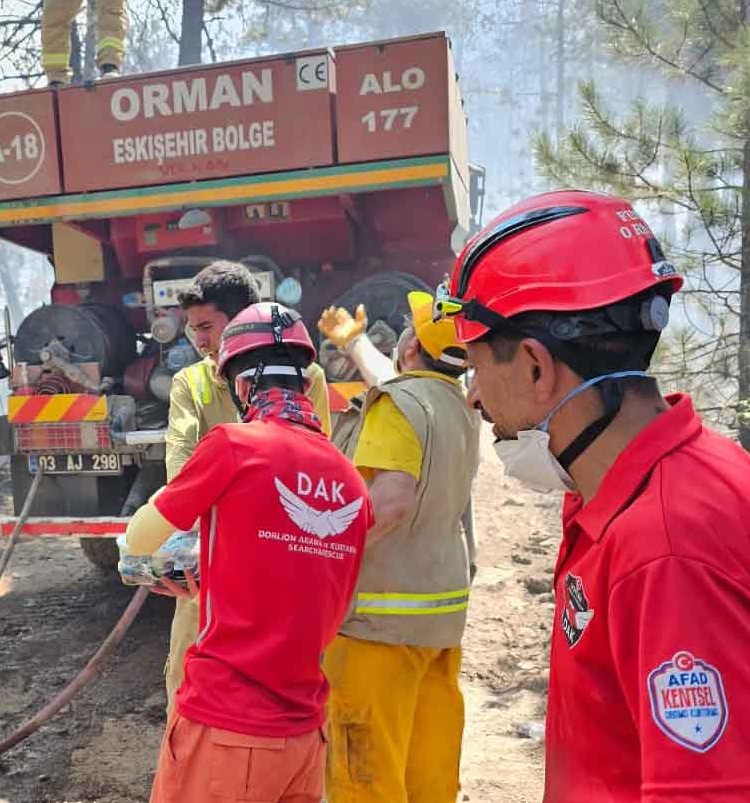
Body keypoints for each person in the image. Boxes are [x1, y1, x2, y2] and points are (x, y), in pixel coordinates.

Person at [438, 189, 750, 802]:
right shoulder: (632, 492)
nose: (474, 399)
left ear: (533, 366)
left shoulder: (663, 547)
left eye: (476, 368)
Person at [126, 302, 373, 803]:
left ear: (242, 386)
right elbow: (302, 580)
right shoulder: (351, 483)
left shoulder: (234, 447)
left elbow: (139, 539)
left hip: (227, 727)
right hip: (305, 736)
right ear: (305, 382)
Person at [316, 292, 479, 803]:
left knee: (365, 779)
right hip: (438, 624)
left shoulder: (397, 407)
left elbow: (388, 504)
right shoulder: (458, 406)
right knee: (426, 776)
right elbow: (402, 386)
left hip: (375, 632)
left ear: (409, 344)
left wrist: (316, 547)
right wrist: (357, 344)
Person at [164, 260, 332, 711]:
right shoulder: (192, 383)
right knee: (187, 674)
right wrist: (183, 536)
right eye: (190, 328)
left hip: (283, 550)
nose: (198, 339)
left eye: (206, 325)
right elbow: (179, 459)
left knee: (288, 680)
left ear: (240, 321)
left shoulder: (306, 377)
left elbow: (317, 462)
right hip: (215, 554)